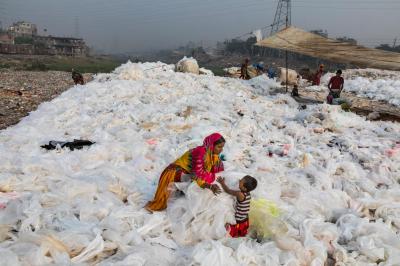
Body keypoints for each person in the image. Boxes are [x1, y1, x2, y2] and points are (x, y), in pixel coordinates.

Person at [145, 133, 225, 212]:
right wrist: (209, 186)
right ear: (211, 145)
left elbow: (214, 169)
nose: (221, 150)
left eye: (222, 147)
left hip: (185, 173)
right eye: (219, 147)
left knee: (202, 183)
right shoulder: (200, 152)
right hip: (173, 173)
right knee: (195, 185)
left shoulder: (212, 154)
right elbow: (196, 175)